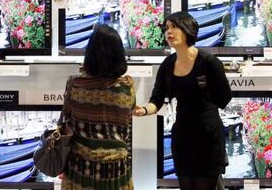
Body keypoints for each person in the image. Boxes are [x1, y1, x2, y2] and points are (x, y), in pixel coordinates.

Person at [133, 11, 231, 190]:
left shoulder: (209, 62)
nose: (169, 31)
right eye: (167, 28)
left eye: (174, 26)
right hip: (182, 137)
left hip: (208, 137)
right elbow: (156, 99)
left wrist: (207, 88)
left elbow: (224, 99)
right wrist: (143, 110)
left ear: (188, 29)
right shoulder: (167, 64)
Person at [61, 25, 136, 190]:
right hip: (116, 168)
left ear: (90, 53)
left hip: (80, 166)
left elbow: (68, 118)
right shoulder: (127, 86)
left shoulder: (74, 84)